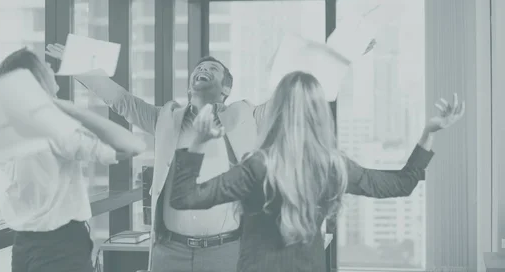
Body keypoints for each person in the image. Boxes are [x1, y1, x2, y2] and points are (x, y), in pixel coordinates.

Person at [0, 42, 418, 272]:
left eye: (213, 70)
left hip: (226, 250)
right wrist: (79, 62)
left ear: (226, 88)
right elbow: (120, 101)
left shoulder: (245, 116)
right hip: (169, 252)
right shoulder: (166, 117)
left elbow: (290, 93)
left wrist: (344, 55)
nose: (203, 70)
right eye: (199, 68)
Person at [169, 72, 465, 272]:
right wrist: (429, 132)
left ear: (277, 111)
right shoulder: (333, 166)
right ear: (319, 113)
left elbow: (184, 198)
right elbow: (401, 184)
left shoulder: (259, 165)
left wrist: (198, 140)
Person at [0, 48, 145, 272]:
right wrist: (68, 108)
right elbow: (132, 145)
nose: (52, 68)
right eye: (46, 66)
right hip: (57, 249)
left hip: (27, 247)